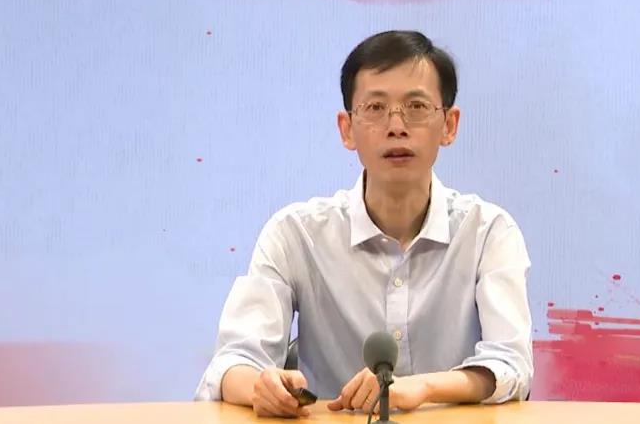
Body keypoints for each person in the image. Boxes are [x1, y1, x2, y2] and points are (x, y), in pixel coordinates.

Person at [194, 30, 533, 418]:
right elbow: (232, 362)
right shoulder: (295, 235)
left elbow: (510, 365)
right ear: (346, 128)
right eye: (375, 108)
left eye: (416, 106)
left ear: (449, 125)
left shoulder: (488, 232)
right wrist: (261, 386)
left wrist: (423, 387)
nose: (396, 126)